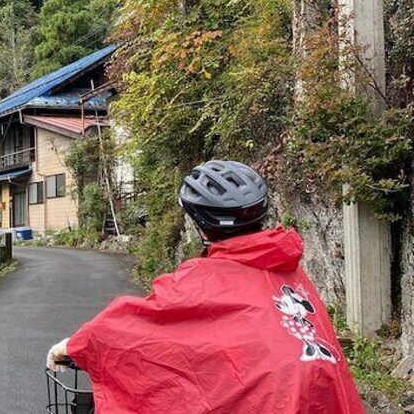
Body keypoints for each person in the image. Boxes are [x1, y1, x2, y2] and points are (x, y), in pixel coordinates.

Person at [46, 160, 364, 413]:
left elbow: (135, 325)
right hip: (324, 396)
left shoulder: (202, 279)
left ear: (199, 225)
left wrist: (73, 346)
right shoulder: (288, 271)